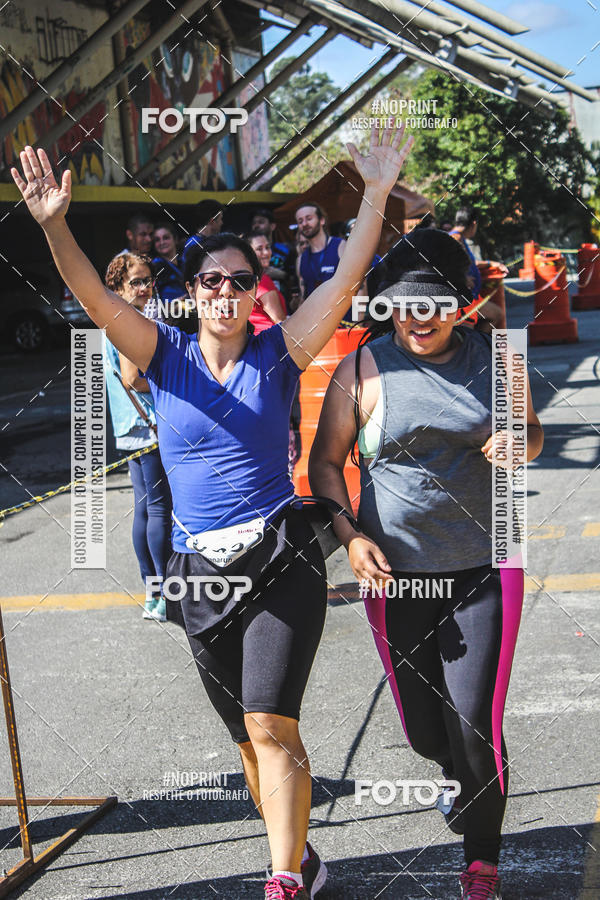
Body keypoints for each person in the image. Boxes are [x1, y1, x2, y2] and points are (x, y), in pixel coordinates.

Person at [12, 125, 413, 900]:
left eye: (238, 280)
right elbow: (95, 297)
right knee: (243, 740)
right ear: (190, 291)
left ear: (255, 290)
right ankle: (306, 858)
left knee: (271, 724)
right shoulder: (163, 354)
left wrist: (373, 194)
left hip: (278, 559)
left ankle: (285, 877)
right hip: (199, 573)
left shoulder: (280, 351)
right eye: (210, 281)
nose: (224, 292)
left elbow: (349, 274)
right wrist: (54, 224)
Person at [308, 227, 544, 900]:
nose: (419, 316)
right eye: (406, 304)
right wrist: (350, 536)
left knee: (476, 722)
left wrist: (518, 441)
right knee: (422, 730)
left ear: (462, 303)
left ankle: (481, 861)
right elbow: (325, 463)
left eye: (435, 303)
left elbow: (534, 432)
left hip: (486, 566)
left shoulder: (502, 356)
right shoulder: (363, 368)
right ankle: (456, 774)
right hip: (395, 576)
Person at [102, 252, 172, 622]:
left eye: (148, 280)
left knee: (146, 506)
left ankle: (153, 592)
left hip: (131, 426)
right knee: (159, 506)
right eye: (136, 282)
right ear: (117, 287)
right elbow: (133, 377)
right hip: (148, 425)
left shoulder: (110, 315)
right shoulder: (128, 319)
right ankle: (163, 593)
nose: (145, 288)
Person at [450, 206, 507, 331]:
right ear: (474, 224)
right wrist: (462, 278)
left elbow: (470, 263)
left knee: (495, 314)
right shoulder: (456, 239)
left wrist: (490, 263)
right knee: (468, 330)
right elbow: (445, 265)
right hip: (464, 299)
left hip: (472, 297)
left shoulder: (460, 238)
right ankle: (478, 346)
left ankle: (480, 344)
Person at [295, 203, 346, 302]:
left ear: (322, 220)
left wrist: (358, 316)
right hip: (316, 316)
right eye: (300, 221)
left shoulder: (340, 246)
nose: (304, 224)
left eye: (309, 218)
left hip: (344, 315)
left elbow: (359, 285)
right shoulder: (301, 260)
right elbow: (303, 297)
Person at [246, 230, 287, 334]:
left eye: (268, 247)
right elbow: (280, 321)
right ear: (249, 253)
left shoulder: (245, 277)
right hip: (270, 341)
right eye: (259, 249)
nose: (266, 252)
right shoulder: (261, 280)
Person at [181, 198, 223, 269]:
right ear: (212, 222)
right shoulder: (194, 244)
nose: (222, 223)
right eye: (220, 219)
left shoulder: (207, 241)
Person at [153, 221, 186, 303]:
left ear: (175, 239)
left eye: (166, 238)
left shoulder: (184, 262)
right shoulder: (155, 266)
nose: (162, 242)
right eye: (157, 240)